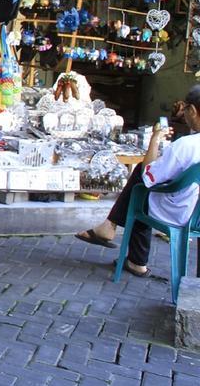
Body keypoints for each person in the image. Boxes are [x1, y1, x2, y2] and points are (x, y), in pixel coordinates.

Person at [76, 87, 200, 276]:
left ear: (191, 110)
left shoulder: (185, 145)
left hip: (179, 212)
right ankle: (133, 258)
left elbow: (148, 175)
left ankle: (111, 229)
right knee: (143, 189)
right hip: (195, 214)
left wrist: (155, 140)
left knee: (140, 185)